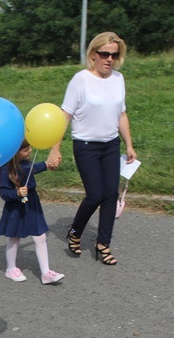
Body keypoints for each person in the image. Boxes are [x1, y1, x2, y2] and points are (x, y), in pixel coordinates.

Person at [48, 32, 137, 266]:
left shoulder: (118, 78)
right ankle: (75, 231)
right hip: (85, 146)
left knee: (110, 195)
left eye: (114, 55)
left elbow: (121, 113)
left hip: (110, 145)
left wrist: (129, 144)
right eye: (104, 54)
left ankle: (103, 244)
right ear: (93, 54)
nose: (109, 59)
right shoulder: (80, 80)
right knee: (96, 194)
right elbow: (64, 115)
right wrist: (55, 149)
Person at [0, 139, 64, 285]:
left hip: (32, 203)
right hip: (16, 206)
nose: (30, 151)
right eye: (26, 150)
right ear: (15, 153)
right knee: (14, 238)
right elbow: (3, 193)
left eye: (30, 148)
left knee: (40, 236)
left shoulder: (26, 162)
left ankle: (46, 273)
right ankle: (10, 268)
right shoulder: (6, 168)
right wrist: (17, 193)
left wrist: (47, 164)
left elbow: (32, 169)